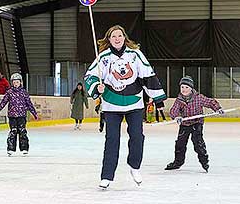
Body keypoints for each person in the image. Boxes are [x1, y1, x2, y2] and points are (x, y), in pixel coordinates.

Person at [84, 25, 166, 189]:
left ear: (124, 37)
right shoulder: (103, 57)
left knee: (137, 137)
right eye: (113, 36)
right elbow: (90, 76)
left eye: (119, 35)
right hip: (111, 105)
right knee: (112, 141)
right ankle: (107, 176)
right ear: (109, 39)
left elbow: (148, 75)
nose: (117, 38)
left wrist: (158, 100)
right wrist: (96, 87)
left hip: (134, 103)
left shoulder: (135, 55)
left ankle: (134, 166)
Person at [165, 76, 223, 172]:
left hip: (197, 123)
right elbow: (173, 110)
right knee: (180, 143)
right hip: (185, 124)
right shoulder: (179, 100)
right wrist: (177, 116)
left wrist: (218, 108)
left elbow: (210, 102)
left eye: (186, 87)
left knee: (198, 143)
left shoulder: (198, 97)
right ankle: (178, 162)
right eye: (182, 87)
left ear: (191, 88)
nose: (184, 89)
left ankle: (204, 161)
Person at [0, 72, 38, 156]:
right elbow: (4, 101)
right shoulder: (9, 92)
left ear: (20, 82)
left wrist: (34, 113)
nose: (15, 84)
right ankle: (11, 149)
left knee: (22, 131)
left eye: (17, 82)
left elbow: (29, 104)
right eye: (14, 82)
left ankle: (24, 148)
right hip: (12, 116)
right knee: (13, 131)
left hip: (22, 115)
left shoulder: (24, 92)